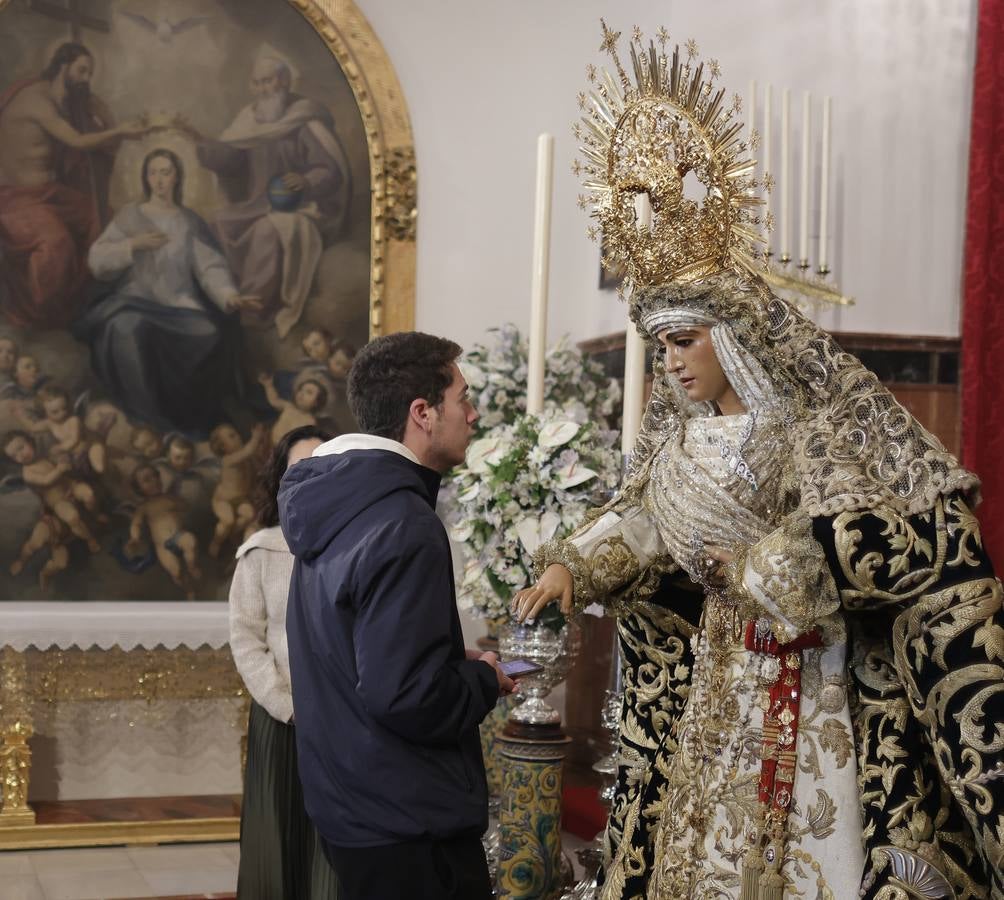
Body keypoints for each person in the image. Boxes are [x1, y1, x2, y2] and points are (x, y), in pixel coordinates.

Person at [512, 29, 1003, 900]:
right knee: (702, 838)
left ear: (732, 339)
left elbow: (877, 535)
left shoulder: (807, 430)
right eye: (658, 344)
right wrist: (572, 562)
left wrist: (766, 565)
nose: (668, 362)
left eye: (682, 340)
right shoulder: (680, 438)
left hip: (802, 671)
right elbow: (646, 521)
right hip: (718, 667)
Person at [281, 332, 514, 900]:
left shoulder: (339, 503)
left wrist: (439, 655)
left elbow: (347, 647)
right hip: (407, 820)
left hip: (353, 806)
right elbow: (407, 697)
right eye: (463, 397)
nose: (474, 413)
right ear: (423, 413)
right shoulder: (405, 521)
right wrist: (483, 679)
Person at [75, 148, 262, 437]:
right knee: (126, 328)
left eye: (166, 172)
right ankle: (148, 419)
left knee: (207, 333)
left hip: (180, 305)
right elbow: (97, 261)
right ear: (145, 178)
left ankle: (183, 416)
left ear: (177, 177)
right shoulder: (130, 216)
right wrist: (132, 245)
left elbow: (209, 265)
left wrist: (228, 295)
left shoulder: (188, 221)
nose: (159, 180)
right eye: (153, 172)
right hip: (134, 301)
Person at [228, 424, 339, 900]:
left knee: (333, 838)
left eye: (321, 467)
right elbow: (246, 639)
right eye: (300, 468)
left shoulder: (354, 544)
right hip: (281, 718)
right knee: (277, 833)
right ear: (282, 479)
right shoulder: (261, 551)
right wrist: (285, 704)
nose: (310, 478)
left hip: (341, 718)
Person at [191, 53, 351, 338]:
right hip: (258, 204)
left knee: (267, 232)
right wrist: (198, 140)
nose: (263, 89)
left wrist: (305, 180)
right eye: (257, 83)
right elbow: (230, 160)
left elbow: (330, 171)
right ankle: (225, 298)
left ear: (285, 82)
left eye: (269, 81)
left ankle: (254, 313)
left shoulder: (304, 120)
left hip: (302, 208)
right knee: (218, 221)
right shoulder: (249, 121)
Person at [0, 42, 149, 327]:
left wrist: (106, 114)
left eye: (90, 73)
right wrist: (121, 130)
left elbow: (106, 143)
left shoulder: (66, 102)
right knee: (57, 244)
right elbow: (78, 141)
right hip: (16, 199)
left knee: (100, 216)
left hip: (49, 193)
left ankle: (82, 299)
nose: (85, 79)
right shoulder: (36, 100)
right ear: (63, 65)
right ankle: (43, 313)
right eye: (82, 70)